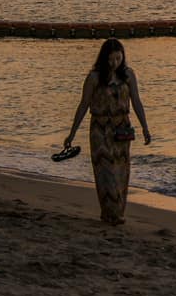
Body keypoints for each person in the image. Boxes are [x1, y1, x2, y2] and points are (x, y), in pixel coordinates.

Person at [63, 38, 151, 225]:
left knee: (121, 172)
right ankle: (109, 213)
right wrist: (71, 134)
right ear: (104, 58)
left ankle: (117, 213)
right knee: (105, 173)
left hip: (122, 129)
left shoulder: (128, 75)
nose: (114, 63)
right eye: (111, 59)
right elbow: (83, 105)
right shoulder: (94, 77)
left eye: (118, 59)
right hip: (100, 130)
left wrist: (145, 127)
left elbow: (136, 101)